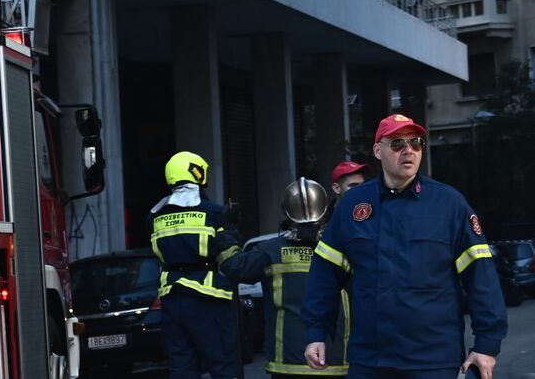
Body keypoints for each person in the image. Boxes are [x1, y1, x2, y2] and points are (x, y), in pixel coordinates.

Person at [302, 114, 508, 379]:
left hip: (432, 361)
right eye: (398, 143)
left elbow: (482, 277)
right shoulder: (353, 206)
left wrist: (487, 346)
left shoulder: (449, 204)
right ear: (378, 150)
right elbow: (325, 276)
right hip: (370, 361)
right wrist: (316, 332)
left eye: (416, 143)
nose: (409, 150)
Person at [214, 177, 349, 377]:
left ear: (286, 212)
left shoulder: (271, 251)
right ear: (325, 211)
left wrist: (226, 230)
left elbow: (233, 266)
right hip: (334, 360)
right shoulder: (343, 248)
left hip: (287, 362)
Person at [150, 150, 238, 379]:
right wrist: (230, 224)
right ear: (197, 173)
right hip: (207, 298)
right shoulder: (215, 212)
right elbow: (227, 249)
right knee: (223, 366)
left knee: (182, 368)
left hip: (171, 300)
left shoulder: (155, 217)